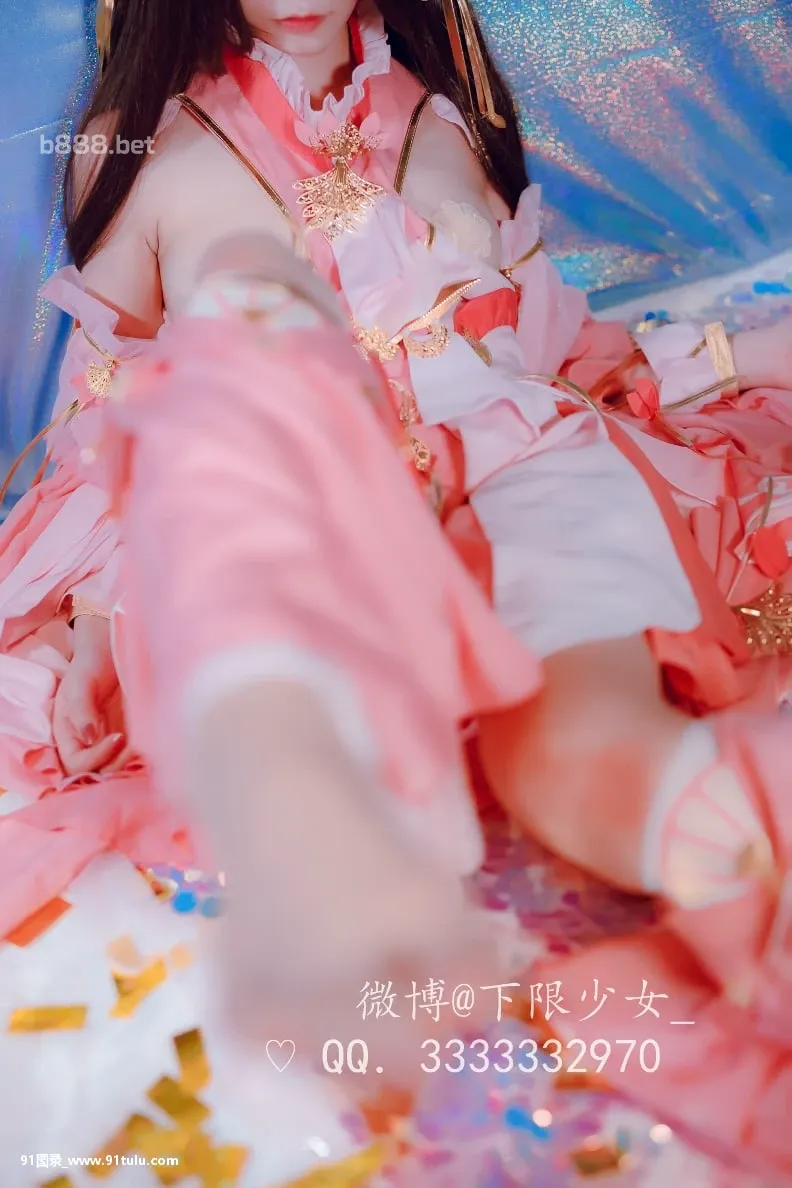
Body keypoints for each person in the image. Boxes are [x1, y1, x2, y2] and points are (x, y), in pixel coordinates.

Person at [0, 0, 791, 1175]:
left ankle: (745, 859)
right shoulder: (144, 147)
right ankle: (310, 811)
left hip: (526, 459)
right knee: (254, 363)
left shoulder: (443, 111)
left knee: (583, 765)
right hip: (307, 486)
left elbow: (555, 355)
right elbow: (110, 423)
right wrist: (98, 619)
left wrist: (727, 356)